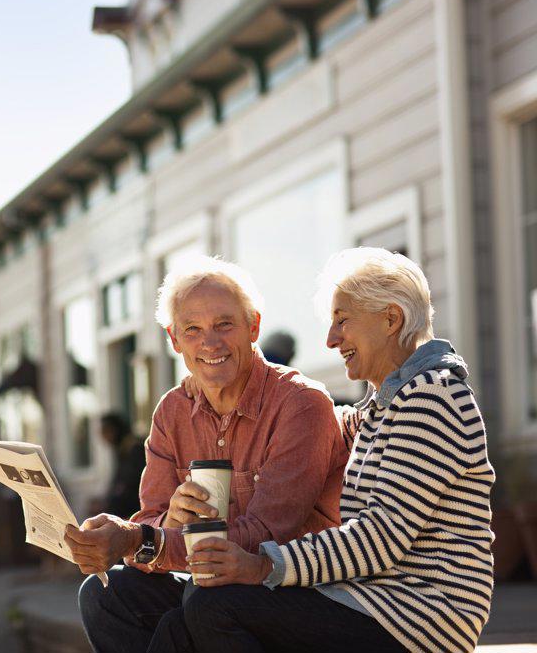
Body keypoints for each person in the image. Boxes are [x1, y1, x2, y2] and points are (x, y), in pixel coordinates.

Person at [169, 248, 494, 653]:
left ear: (390, 319)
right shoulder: (386, 405)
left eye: (342, 321)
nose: (331, 339)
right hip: (372, 601)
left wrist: (264, 566)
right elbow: (306, 415)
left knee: (214, 605)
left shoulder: (431, 398)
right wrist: (209, 381)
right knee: (176, 623)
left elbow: (380, 538)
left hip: (418, 615)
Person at [64, 256, 349, 652]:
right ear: (174, 340)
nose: (209, 343)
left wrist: (141, 539)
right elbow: (151, 521)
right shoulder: (171, 411)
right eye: (192, 330)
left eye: (224, 325)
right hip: (210, 585)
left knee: (199, 603)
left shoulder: (301, 404)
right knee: (104, 595)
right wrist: (168, 522)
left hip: (292, 588)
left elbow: (268, 536)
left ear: (254, 326)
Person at [97, 412, 146, 520]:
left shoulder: (135, 449)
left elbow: (131, 484)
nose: (102, 436)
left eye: (105, 431)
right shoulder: (120, 450)